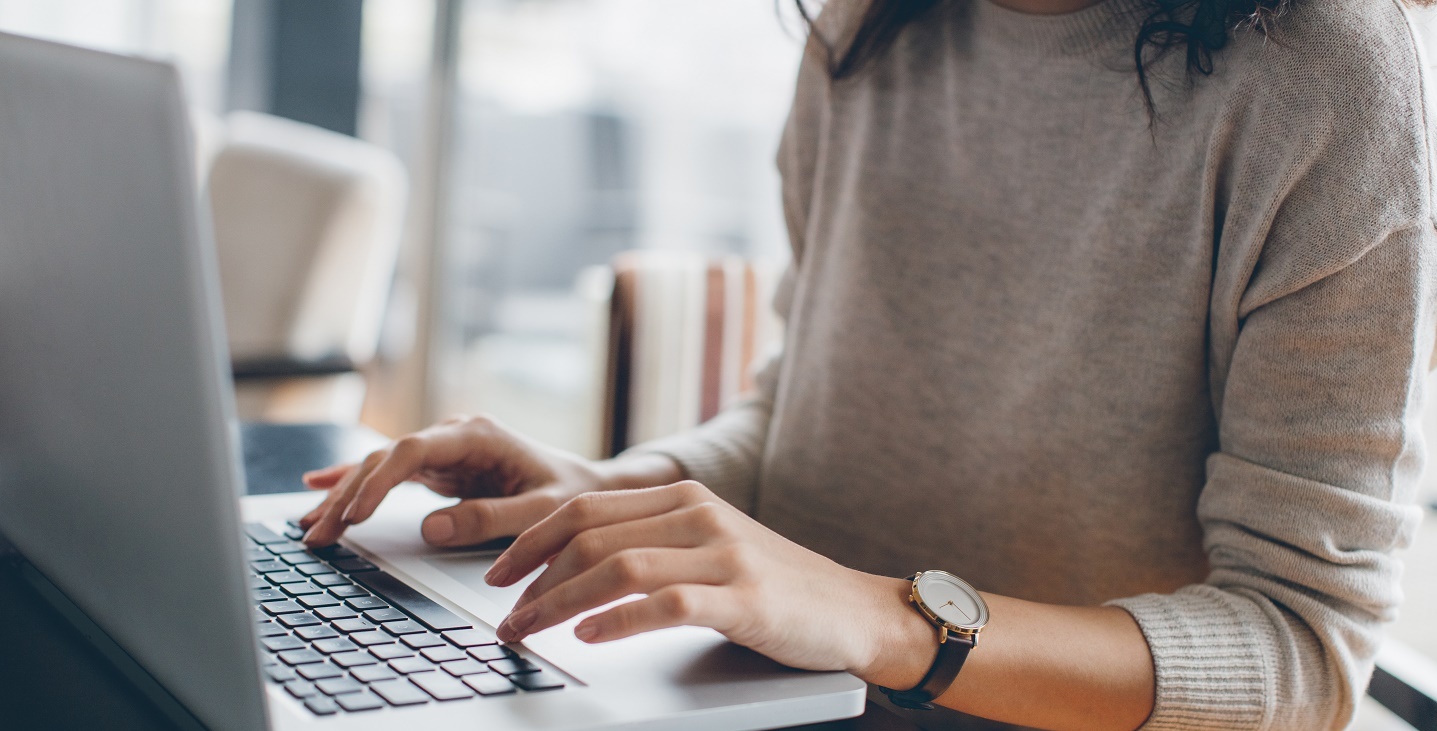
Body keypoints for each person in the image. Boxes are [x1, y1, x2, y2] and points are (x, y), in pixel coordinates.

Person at [299, 0, 1437, 728]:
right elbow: (803, 412)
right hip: (772, 705)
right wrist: (608, 492)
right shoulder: (869, 23)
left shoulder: (1326, 75)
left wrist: (889, 622)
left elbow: (1305, 648)